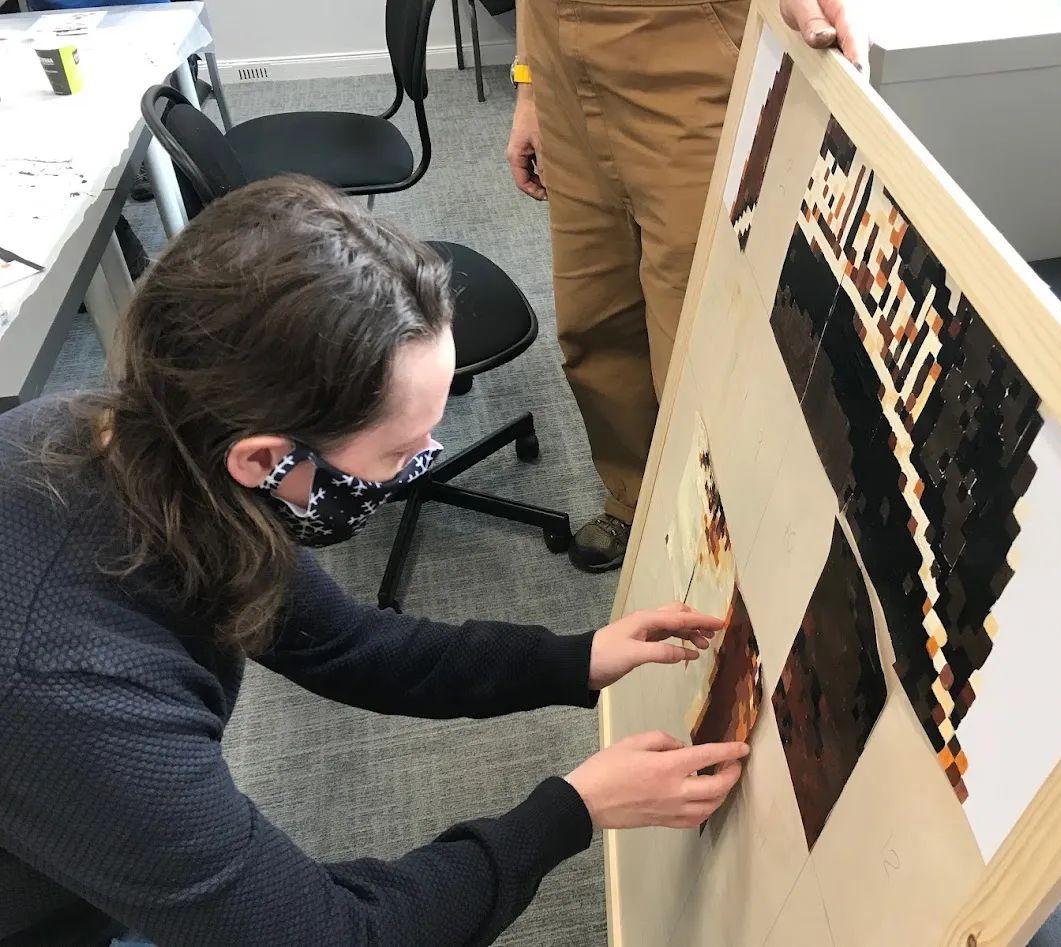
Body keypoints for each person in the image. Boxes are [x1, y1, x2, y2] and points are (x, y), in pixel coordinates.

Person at [0, 176, 750, 947]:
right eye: (397, 449)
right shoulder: (78, 688)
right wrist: (572, 809)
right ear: (264, 456)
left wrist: (576, 658)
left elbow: (347, 643)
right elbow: (339, 937)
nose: (421, 464)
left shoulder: (139, 446)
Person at [508, 0, 867, 573]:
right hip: (560, 63)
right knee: (592, 318)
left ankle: (716, 536)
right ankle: (635, 500)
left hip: (680, 46)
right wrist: (530, 87)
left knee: (697, 336)